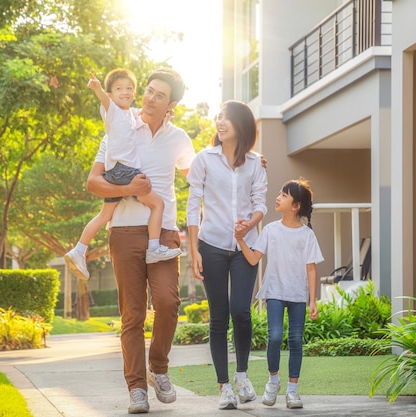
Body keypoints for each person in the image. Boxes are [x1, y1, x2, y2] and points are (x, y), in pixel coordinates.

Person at [86, 68, 195, 414]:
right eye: (148, 91)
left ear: (171, 105)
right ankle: (136, 388)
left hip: (162, 233)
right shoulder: (119, 125)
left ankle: (158, 368)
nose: (149, 98)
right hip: (123, 231)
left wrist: (246, 161)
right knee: (132, 315)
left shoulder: (179, 138)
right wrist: (127, 190)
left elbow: (200, 175)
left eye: (159, 95)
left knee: (167, 303)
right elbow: (93, 182)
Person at [186, 100, 268, 410]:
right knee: (219, 316)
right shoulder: (203, 160)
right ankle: (224, 387)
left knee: (241, 311)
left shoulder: (256, 163)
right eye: (218, 118)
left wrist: (251, 223)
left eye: (227, 119)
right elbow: (193, 206)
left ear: (242, 126)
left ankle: (242, 376)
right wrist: (193, 249)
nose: (220, 123)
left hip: (245, 247)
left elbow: (261, 202)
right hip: (211, 246)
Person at [64, 69, 181, 281]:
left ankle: (78, 251)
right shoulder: (113, 110)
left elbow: (143, 113)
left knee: (104, 216)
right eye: (119, 89)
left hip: (115, 171)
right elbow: (106, 100)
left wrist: (166, 114)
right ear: (110, 95)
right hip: (125, 170)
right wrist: (98, 88)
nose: (125, 93)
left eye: (129, 89)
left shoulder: (130, 114)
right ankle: (154, 248)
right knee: (158, 204)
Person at [235, 177, 324, 409]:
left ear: (295, 206)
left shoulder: (307, 235)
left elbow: (311, 268)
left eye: (284, 195)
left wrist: (312, 300)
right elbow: (254, 258)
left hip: (297, 296)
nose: (278, 197)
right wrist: (241, 241)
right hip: (274, 291)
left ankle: (292, 391)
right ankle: (273, 382)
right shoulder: (270, 230)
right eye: (279, 193)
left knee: (296, 340)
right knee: (274, 336)